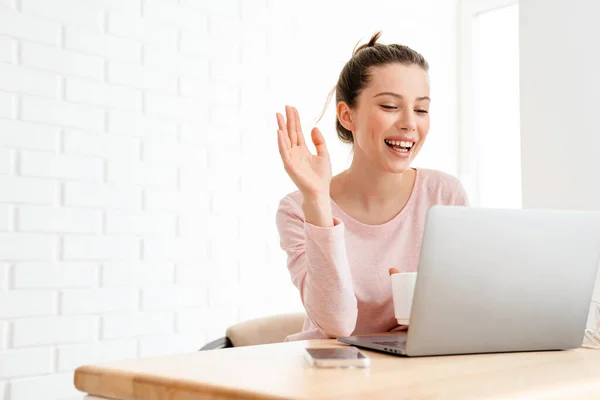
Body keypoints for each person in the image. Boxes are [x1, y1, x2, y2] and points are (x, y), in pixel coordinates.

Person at [275, 32, 469, 341]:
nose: (409, 123)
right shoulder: (298, 208)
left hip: (418, 373)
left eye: (421, 110)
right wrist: (317, 200)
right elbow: (336, 325)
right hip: (331, 378)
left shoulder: (444, 195)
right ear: (347, 115)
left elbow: (462, 307)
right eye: (390, 106)